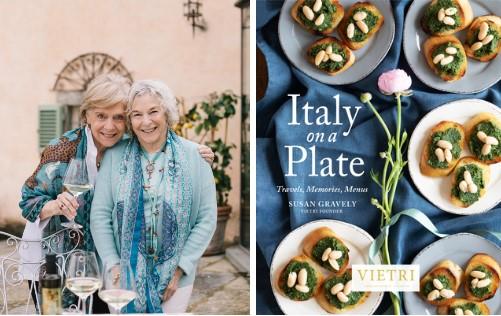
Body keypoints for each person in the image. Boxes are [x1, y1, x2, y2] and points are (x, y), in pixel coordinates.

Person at [19, 74, 214, 313]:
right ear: (86, 115)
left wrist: (199, 155)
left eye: (118, 117)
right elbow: (28, 202)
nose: (109, 126)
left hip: (95, 261)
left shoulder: (123, 150)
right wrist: (56, 204)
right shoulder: (62, 149)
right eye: (101, 116)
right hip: (51, 257)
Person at [90, 79, 217, 313]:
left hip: (176, 278)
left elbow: (206, 218)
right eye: (137, 114)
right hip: (121, 275)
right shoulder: (114, 156)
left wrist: (179, 270)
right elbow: (100, 215)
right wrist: (114, 266)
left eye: (153, 111)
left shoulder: (194, 156)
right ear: (130, 121)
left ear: (167, 113)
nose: (146, 121)